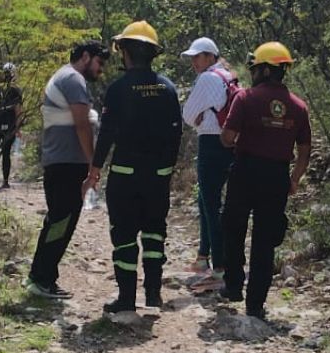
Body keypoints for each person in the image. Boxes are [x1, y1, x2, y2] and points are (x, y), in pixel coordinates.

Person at [82, 21, 182, 313]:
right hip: (157, 178)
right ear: (153, 53)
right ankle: (153, 295)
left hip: (125, 177)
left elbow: (108, 134)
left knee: (124, 236)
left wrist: (95, 168)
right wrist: (167, 169)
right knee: (154, 233)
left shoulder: (118, 90)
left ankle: (127, 298)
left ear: (124, 51)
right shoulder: (167, 88)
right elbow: (176, 133)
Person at [218, 42, 311, 320]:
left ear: (266, 70)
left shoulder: (245, 98)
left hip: (245, 171)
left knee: (232, 227)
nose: (253, 72)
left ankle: (234, 285)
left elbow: (227, 138)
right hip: (276, 176)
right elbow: (304, 151)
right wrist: (294, 180)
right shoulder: (298, 106)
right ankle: (255, 304)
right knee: (264, 241)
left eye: (256, 68)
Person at [25, 41, 110, 299]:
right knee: (61, 222)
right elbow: (82, 125)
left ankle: (43, 278)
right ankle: (41, 280)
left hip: (61, 162)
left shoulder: (64, 76)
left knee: (59, 221)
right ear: (85, 57)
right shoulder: (73, 79)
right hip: (66, 164)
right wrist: (93, 165)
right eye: (99, 62)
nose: (101, 69)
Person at [180, 37, 236, 292]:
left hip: (211, 144)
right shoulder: (230, 77)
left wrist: (200, 116)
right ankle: (204, 257)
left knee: (210, 204)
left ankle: (219, 268)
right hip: (231, 144)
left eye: (198, 56)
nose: (194, 61)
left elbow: (188, 114)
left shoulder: (206, 79)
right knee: (207, 200)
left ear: (210, 57)